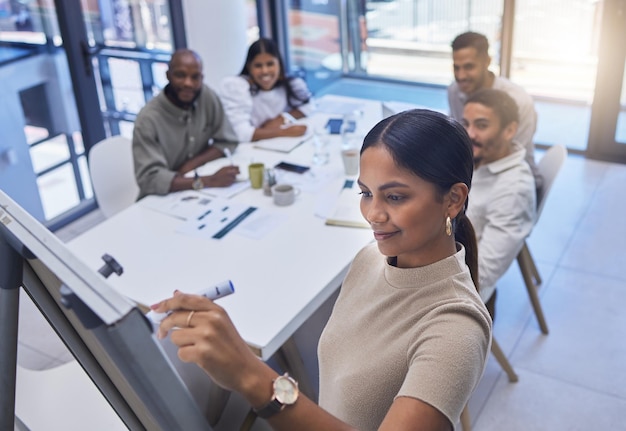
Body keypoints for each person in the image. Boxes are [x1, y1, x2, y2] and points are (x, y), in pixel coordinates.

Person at [150, 109, 492, 431]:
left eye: (395, 197)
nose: (373, 214)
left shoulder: (456, 328)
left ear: (453, 199)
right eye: (365, 193)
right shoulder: (369, 258)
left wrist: (251, 376)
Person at [461, 88, 537, 314]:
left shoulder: (514, 190)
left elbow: (482, 274)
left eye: (482, 126)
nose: (470, 133)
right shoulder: (480, 157)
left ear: (510, 130)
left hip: (460, 290)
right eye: (466, 124)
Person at [133, 49, 240, 199]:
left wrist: (190, 165)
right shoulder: (148, 120)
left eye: (195, 77)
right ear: (168, 75)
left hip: (198, 192)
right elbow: (150, 180)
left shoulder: (206, 96)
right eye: (180, 75)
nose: (188, 83)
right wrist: (209, 181)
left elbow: (227, 141)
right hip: (160, 199)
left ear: (202, 78)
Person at [448, 31, 543, 192]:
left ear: (487, 61)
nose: (461, 76)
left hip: (509, 180)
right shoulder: (455, 91)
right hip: (475, 172)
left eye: (469, 67)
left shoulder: (518, 101)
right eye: (456, 68)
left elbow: (514, 155)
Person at [218, 37, 313, 142]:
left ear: (279, 64)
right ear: (249, 67)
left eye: (270, 64)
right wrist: (284, 132)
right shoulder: (237, 88)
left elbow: (309, 106)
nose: (265, 71)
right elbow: (240, 133)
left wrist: (282, 118)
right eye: (258, 66)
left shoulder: (291, 84)